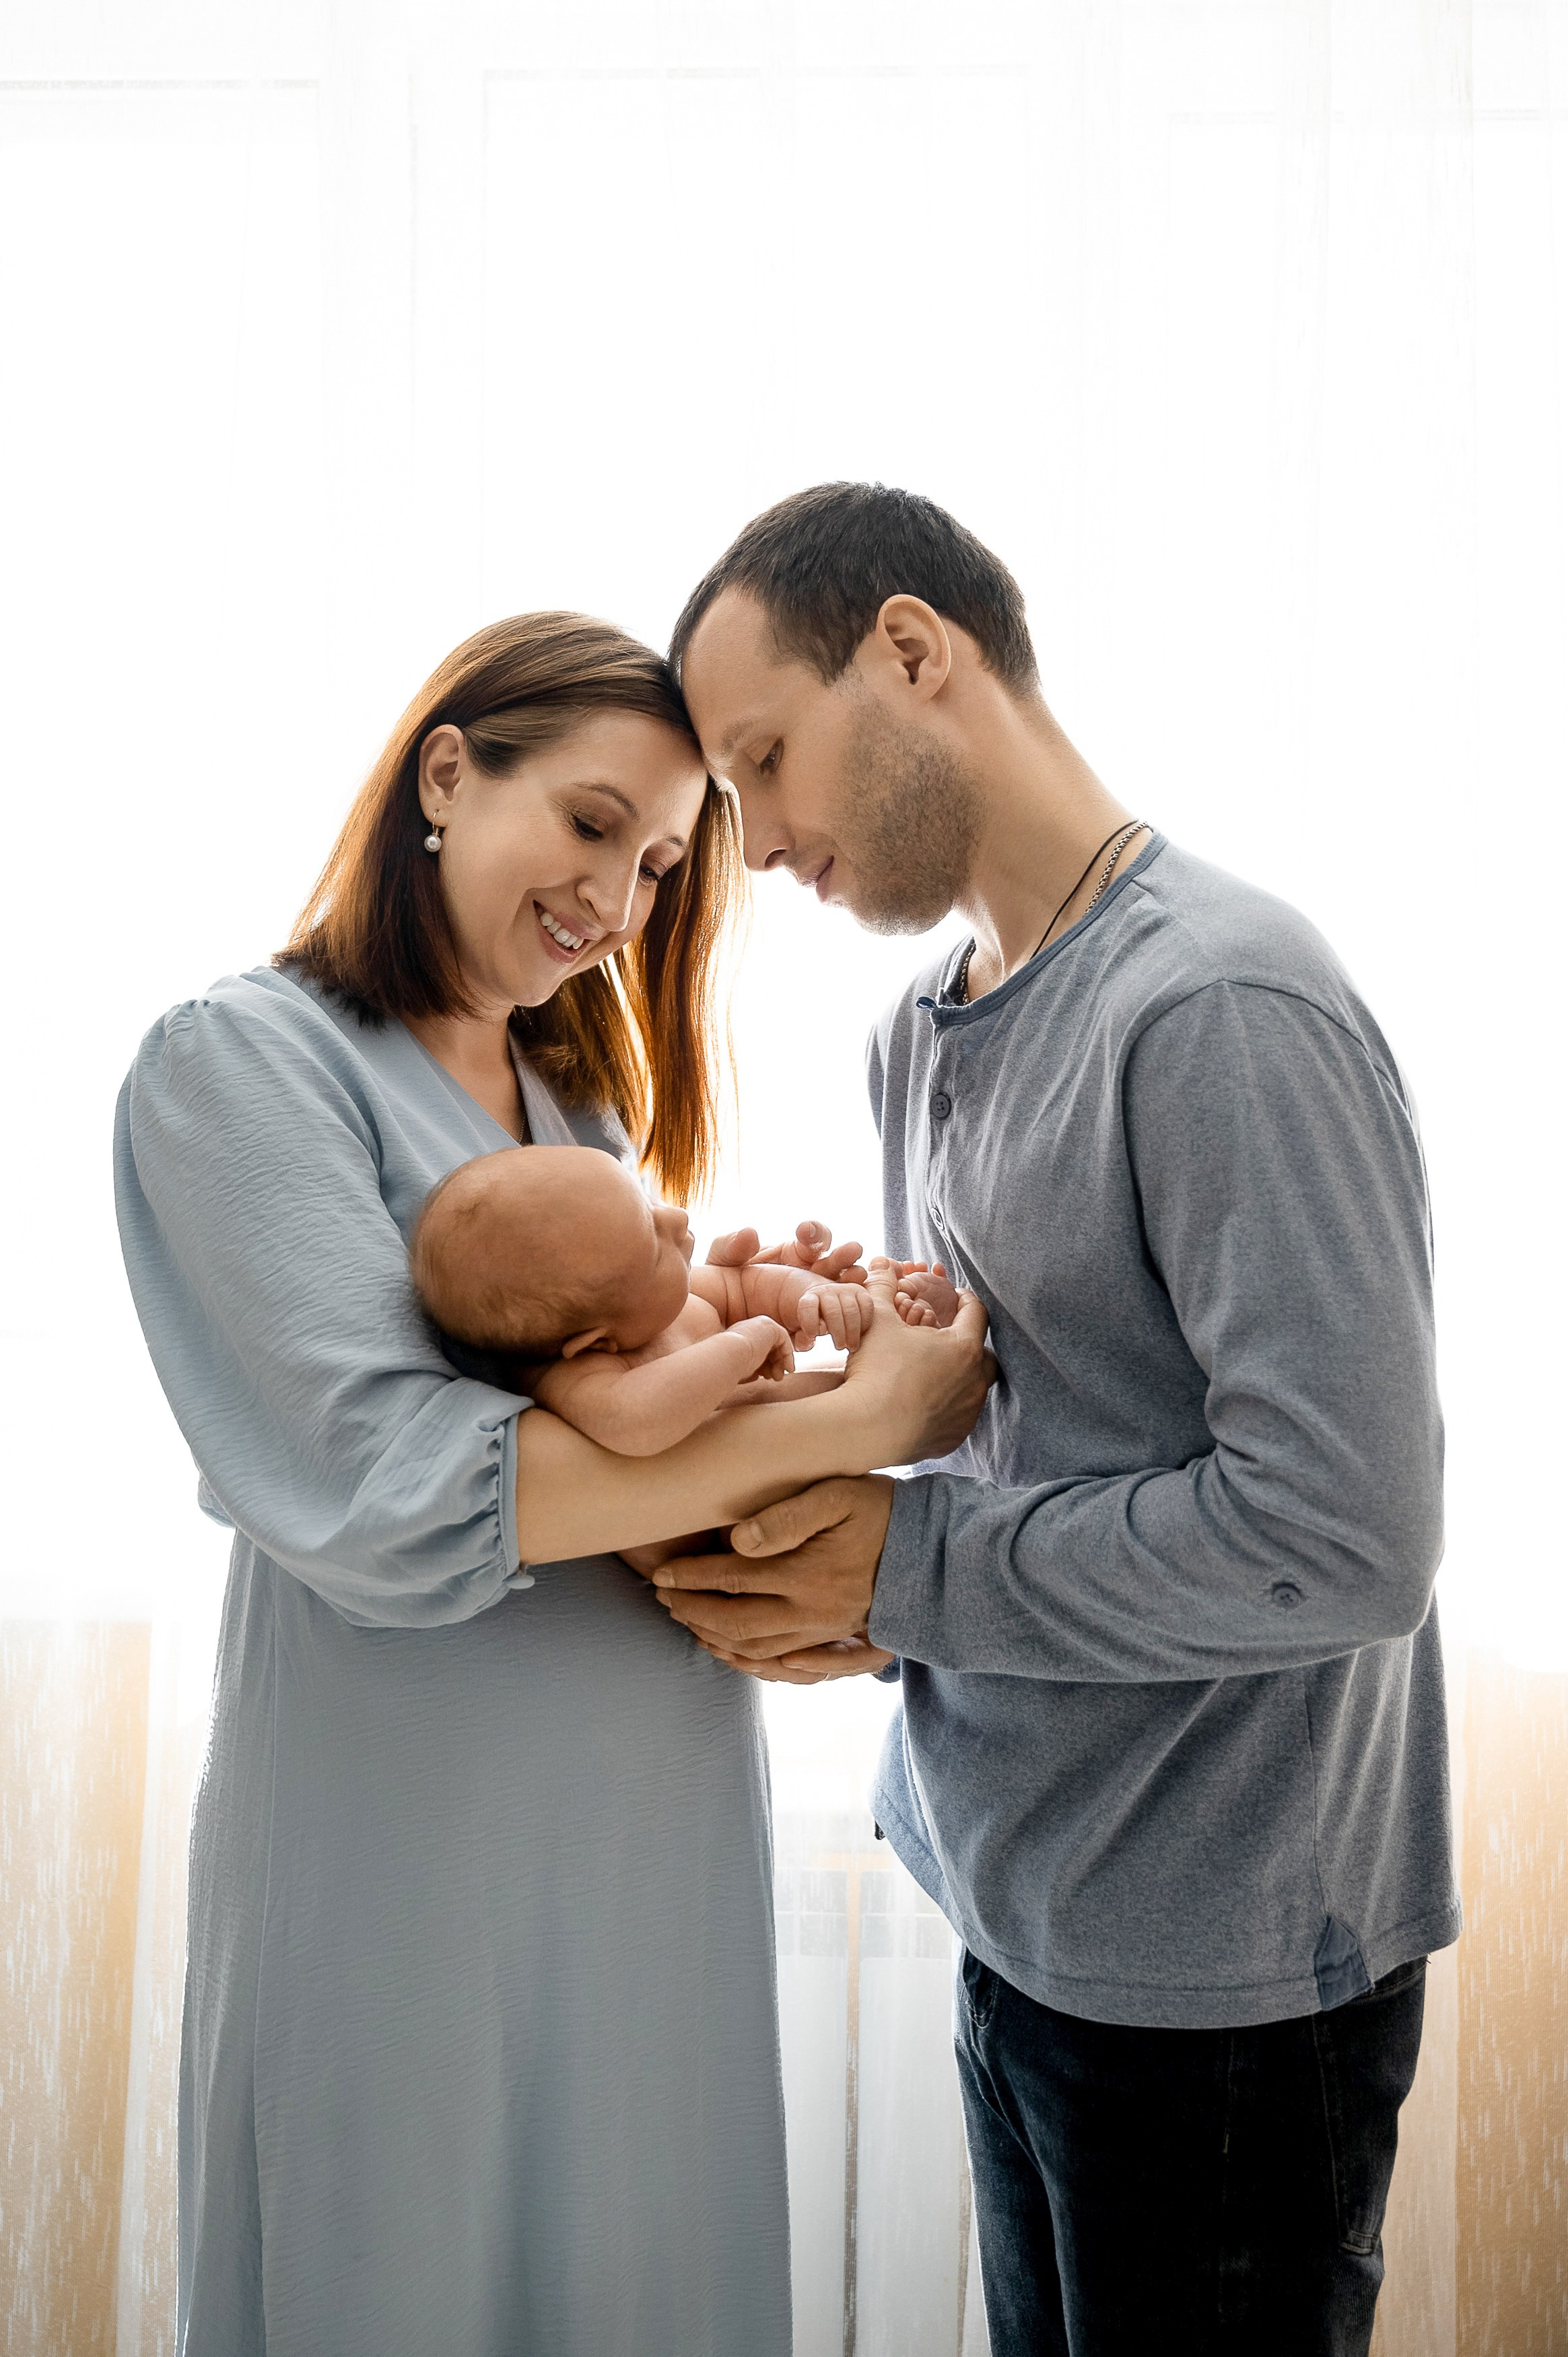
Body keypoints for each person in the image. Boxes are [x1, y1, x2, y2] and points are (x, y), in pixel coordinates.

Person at [114, 609, 990, 2357]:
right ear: (448, 772)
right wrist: (852, 1418)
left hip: (650, 1849)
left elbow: (624, 1449)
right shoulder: (239, 1065)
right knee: (407, 2274)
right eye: (594, 824)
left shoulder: (567, 1112)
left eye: (662, 866)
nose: (620, 898)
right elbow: (402, 1483)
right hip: (412, 1863)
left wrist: (798, 1587)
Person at [656, 485, 1458, 2356]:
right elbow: (1037, 1434)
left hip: (1225, 1991)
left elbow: (1341, 1535)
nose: (757, 847)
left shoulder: (1220, 1006)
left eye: (763, 763)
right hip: (1016, 1916)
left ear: (915, 651)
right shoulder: (918, 1028)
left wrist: (908, 1559)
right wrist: (850, 1388)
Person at [409, 1143, 879, 1452]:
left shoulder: (683, 1294)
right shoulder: (581, 1377)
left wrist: (815, 1294)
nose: (675, 1217)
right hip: (735, 1521)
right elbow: (637, 1425)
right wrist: (742, 1345)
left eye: (647, 1203)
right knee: (847, 1392)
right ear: (597, 1340)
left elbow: (754, 1284)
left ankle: (903, 1321)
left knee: (863, 1371)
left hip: (807, 1448)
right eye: (654, 1242)